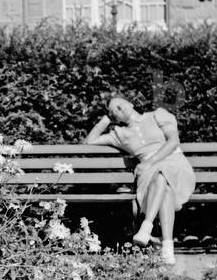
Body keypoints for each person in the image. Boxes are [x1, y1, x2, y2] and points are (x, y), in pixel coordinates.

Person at [84, 94, 196, 265]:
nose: (120, 109)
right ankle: (167, 248)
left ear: (130, 103)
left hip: (175, 164)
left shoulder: (157, 115)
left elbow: (173, 141)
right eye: (115, 111)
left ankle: (147, 225)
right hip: (149, 174)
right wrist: (107, 119)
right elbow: (88, 142)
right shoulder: (120, 134)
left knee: (161, 172)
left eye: (121, 105)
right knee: (162, 184)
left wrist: (151, 161)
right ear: (115, 117)